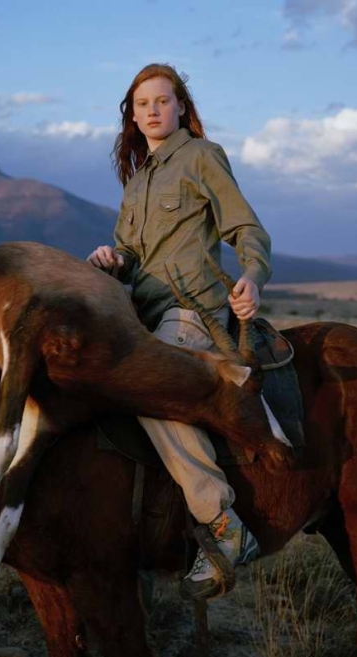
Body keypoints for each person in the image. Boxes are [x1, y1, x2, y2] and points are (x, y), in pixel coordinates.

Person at [87, 63, 281, 601]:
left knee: (149, 389)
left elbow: (247, 227)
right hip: (142, 316)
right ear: (133, 113)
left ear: (180, 107)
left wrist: (251, 276)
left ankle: (223, 524)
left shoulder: (200, 155)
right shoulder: (137, 181)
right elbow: (130, 253)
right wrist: (112, 257)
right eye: (142, 103)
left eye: (162, 101)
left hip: (192, 313)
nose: (152, 110)